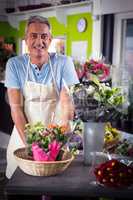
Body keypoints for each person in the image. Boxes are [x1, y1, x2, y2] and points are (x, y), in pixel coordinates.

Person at [5, 15, 79, 179]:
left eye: (44, 36)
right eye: (34, 36)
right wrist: (31, 146)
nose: (39, 42)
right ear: (26, 38)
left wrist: (55, 145)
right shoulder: (15, 65)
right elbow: (16, 108)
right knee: (21, 185)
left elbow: (68, 105)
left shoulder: (64, 63)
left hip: (57, 136)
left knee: (55, 186)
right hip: (24, 135)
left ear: (50, 39)